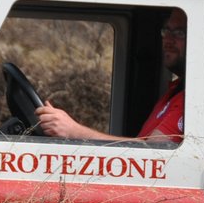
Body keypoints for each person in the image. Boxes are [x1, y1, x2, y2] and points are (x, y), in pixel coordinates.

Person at [34, 8, 186, 142]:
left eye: (179, 33)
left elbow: (156, 153)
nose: (168, 40)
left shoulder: (192, 99)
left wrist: (72, 130)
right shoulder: (175, 91)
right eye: (166, 31)